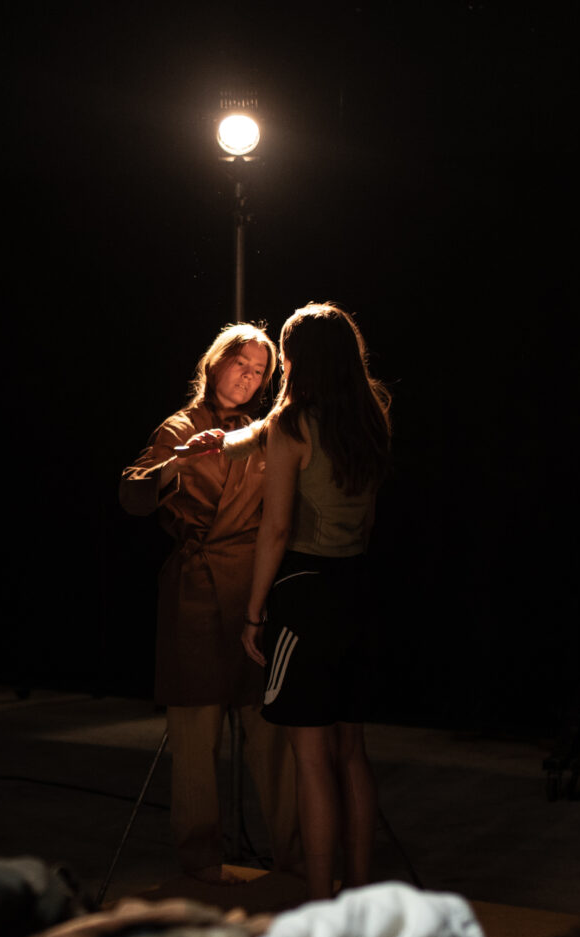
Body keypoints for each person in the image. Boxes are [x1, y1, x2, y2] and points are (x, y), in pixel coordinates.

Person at [216, 302, 392, 901]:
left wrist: (253, 613)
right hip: (360, 587)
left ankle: (321, 901)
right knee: (352, 751)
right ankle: (359, 893)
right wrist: (220, 443)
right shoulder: (371, 416)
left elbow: (276, 529)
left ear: (297, 359)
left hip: (307, 595)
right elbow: (255, 438)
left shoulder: (294, 424)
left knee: (311, 758)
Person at [120, 324, 298, 886]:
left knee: (271, 731)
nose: (248, 378)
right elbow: (134, 492)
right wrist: (176, 462)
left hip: (253, 587)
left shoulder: (261, 432)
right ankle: (200, 864)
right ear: (216, 363)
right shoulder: (179, 427)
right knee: (196, 737)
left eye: (259, 372)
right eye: (241, 364)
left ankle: (296, 860)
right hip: (196, 591)